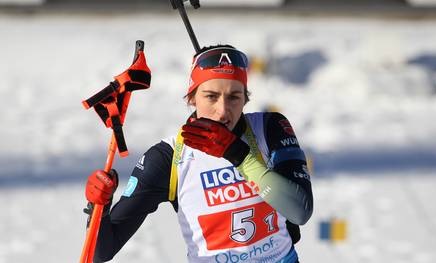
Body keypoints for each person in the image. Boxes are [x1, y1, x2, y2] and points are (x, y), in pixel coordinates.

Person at [85, 44, 313, 263]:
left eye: (234, 97)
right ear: (192, 97)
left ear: (246, 98)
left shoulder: (269, 128)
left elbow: (300, 212)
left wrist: (239, 155)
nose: (223, 111)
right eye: (211, 96)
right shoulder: (167, 158)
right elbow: (102, 252)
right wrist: (99, 208)